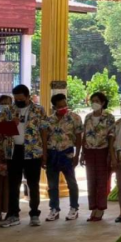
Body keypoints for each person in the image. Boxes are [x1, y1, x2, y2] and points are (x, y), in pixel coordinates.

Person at [1, 84, 48, 229]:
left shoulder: (38, 110)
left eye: (21, 99)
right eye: (16, 100)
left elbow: (44, 131)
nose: (18, 102)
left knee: (33, 184)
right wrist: (10, 124)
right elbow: (2, 130)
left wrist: (44, 152)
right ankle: (13, 215)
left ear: (28, 96)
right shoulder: (10, 110)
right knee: (13, 184)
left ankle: (34, 214)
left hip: (33, 150)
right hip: (14, 150)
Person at [41, 93, 83, 222]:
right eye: (60, 106)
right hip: (52, 154)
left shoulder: (75, 118)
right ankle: (54, 209)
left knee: (72, 183)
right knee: (52, 185)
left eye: (65, 104)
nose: (64, 107)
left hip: (67, 154)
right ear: (54, 107)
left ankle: (74, 208)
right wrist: (44, 155)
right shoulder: (49, 120)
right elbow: (44, 138)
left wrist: (77, 155)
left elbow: (79, 138)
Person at [81, 92, 115, 222]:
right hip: (89, 151)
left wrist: (110, 154)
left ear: (103, 102)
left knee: (102, 181)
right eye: (92, 101)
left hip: (103, 150)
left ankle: (100, 209)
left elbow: (111, 136)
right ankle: (93, 207)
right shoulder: (88, 117)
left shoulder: (109, 117)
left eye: (97, 100)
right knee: (91, 181)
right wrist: (82, 153)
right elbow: (85, 135)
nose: (94, 103)